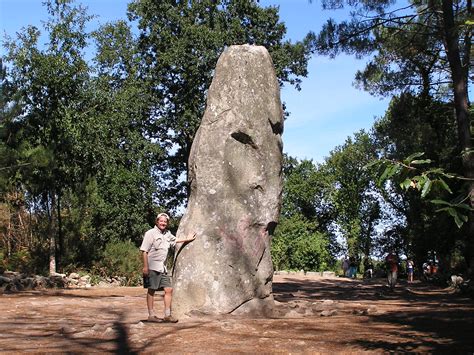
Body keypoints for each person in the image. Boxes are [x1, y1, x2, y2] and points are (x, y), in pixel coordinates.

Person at [140, 212, 196, 323]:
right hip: (152, 266)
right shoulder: (150, 233)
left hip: (163, 267)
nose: (163, 223)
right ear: (157, 222)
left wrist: (187, 239)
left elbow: (175, 240)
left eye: (165, 222)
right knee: (151, 290)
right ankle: (151, 315)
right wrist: (145, 267)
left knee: (168, 289)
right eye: (161, 221)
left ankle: (167, 315)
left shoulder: (167, 234)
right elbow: (144, 251)